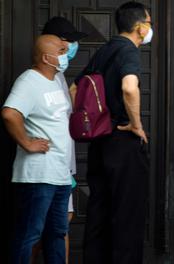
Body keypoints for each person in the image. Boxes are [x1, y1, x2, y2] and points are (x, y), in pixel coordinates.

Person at [74, 2, 152, 264]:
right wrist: (136, 125)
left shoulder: (103, 51)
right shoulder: (128, 51)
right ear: (140, 27)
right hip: (123, 140)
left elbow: (75, 90)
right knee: (127, 214)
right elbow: (130, 87)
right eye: (149, 23)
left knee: (99, 211)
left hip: (99, 141)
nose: (150, 29)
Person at [2, 35, 73, 264]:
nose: (67, 53)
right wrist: (27, 142)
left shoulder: (56, 80)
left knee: (57, 234)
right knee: (29, 235)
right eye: (62, 50)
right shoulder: (29, 81)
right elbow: (9, 113)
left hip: (60, 175)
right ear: (46, 57)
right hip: (38, 175)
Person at [42, 16, 87, 263]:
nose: (70, 47)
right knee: (43, 228)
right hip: (48, 167)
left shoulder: (59, 76)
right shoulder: (36, 79)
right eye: (67, 41)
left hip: (63, 167)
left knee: (60, 224)